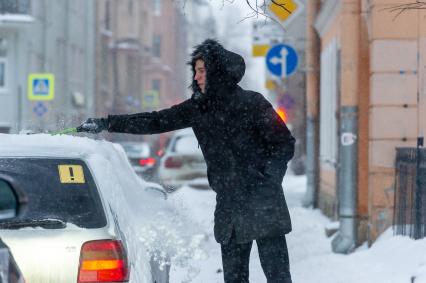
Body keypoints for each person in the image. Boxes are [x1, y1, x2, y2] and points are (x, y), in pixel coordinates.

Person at [78, 39, 295, 283]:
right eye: (196, 71)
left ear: (217, 72)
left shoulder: (252, 103)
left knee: (277, 276)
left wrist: (269, 177)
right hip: (229, 204)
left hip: (263, 200)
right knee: (234, 278)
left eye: (202, 70)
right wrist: (107, 123)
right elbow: (156, 121)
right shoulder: (198, 108)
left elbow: (283, 142)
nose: (197, 76)